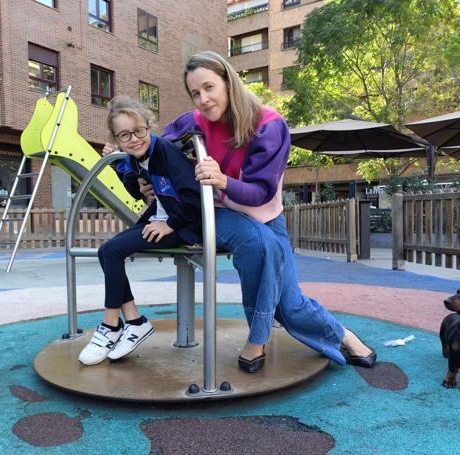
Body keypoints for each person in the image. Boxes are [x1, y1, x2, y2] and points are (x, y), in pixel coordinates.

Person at [162, 51, 376, 372]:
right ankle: (257, 338)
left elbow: (260, 193)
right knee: (259, 244)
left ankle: (342, 335)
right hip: (221, 214)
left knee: (290, 306)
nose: (203, 99)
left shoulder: (269, 126)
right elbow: (157, 148)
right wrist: (130, 156)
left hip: (263, 212)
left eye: (209, 87)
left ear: (228, 82)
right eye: (195, 93)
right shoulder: (193, 121)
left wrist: (222, 179)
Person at [78, 96, 202, 366]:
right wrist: (116, 164)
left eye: (138, 131)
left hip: (184, 225)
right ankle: (133, 320)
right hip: (163, 217)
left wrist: (169, 224)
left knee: (111, 250)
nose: (134, 139)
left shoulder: (165, 151)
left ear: (149, 127)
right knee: (106, 251)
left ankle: (111, 324)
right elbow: (135, 192)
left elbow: (194, 198)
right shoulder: (136, 158)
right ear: (117, 139)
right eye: (125, 135)